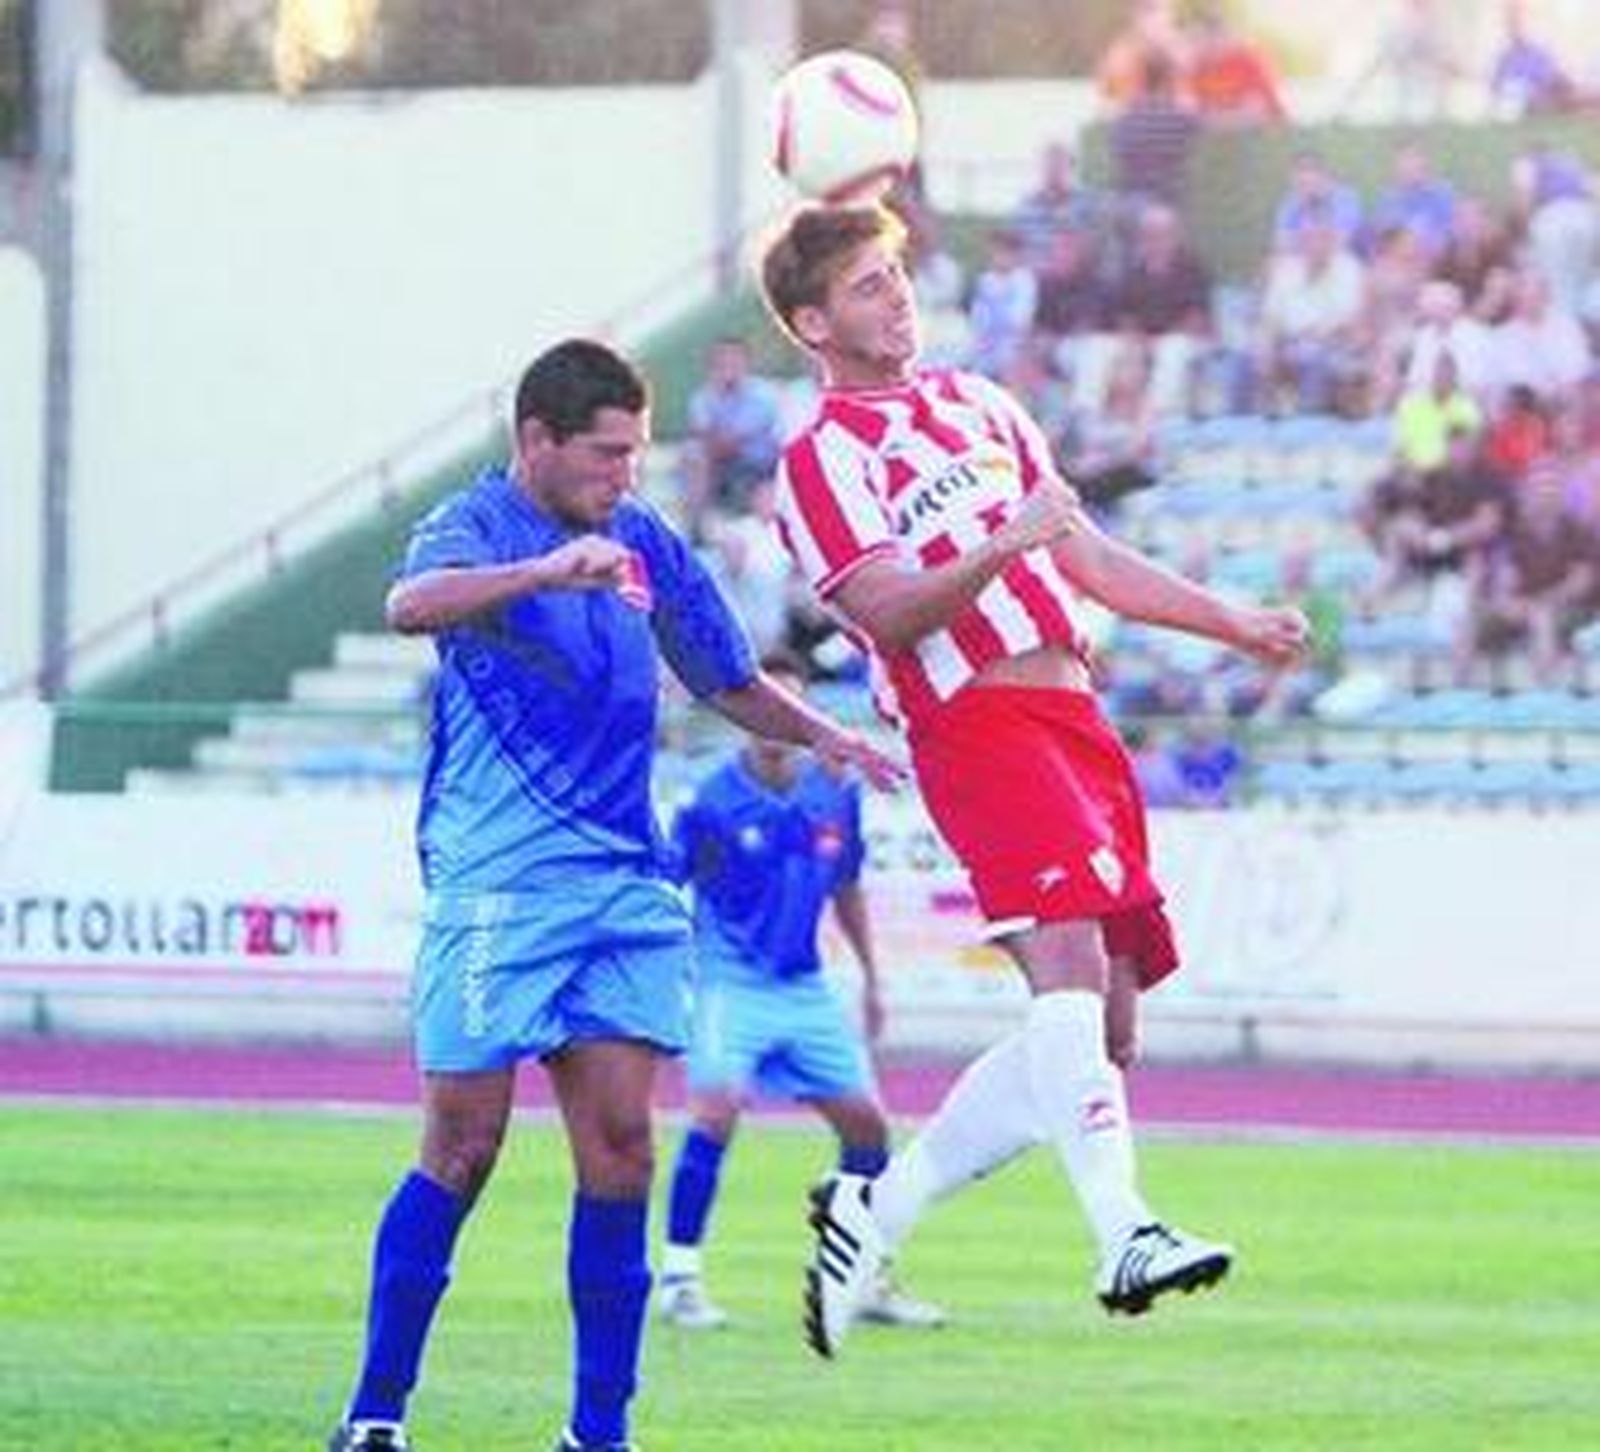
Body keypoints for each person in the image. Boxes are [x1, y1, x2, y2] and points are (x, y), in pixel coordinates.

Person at [754, 203, 1310, 1359]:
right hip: (973, 718)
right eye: (865, 285)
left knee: (1102, 1028)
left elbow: (1088, 556)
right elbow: (891, 612)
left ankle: (876, 1209)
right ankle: (1124, 1231)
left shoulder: (978, 405)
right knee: (1059, 967)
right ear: (812, 323)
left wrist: (1229, 623)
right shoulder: (816, 462)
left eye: (894, 273)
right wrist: (1002, 540)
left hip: (1075, 714)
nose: (895, 295)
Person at [324, 338, 901, 1452]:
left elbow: (728, 678)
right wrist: (542, 574)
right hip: (500, 889)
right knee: (462, 1149)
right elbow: (410, 605)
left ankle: (598, 1433)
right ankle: (376, 1416)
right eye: (604, 454)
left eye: (635, 453)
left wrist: (835, 738)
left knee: (626, 1148)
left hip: (622, 887)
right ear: (534, 440)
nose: (624, 476)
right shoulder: (477, 526)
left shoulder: (640, 538)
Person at [656, 648, 944, 1334]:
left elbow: (845, 886)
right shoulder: (707, 802)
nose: (775, 724)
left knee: (868, 1127)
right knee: (716, 1109)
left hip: (804, 985)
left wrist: (873, 978)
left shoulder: (834, 793)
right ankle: (679, 1278)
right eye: (765, 709)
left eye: (792, 709)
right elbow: (666, 891)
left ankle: (863, 1277)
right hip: (729, 980)